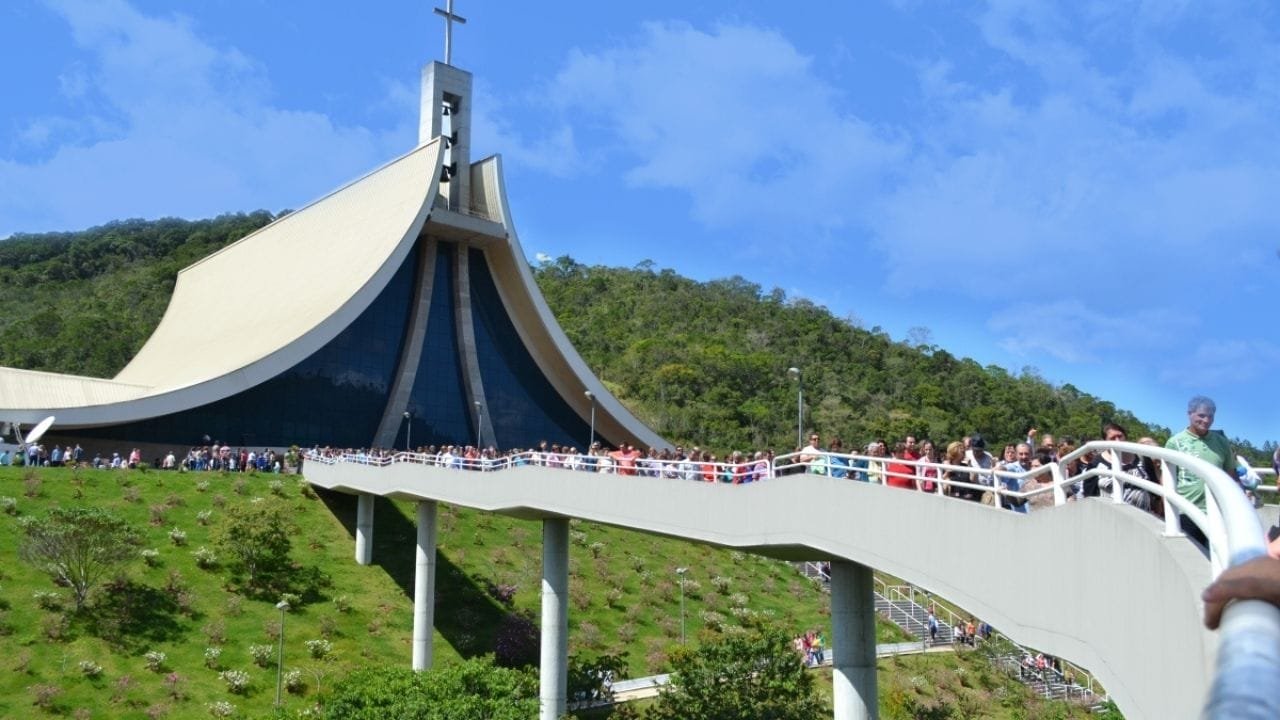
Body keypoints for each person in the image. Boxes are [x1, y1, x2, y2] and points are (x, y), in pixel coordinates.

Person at [1165, 396, 1234, 546]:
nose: (1206, 420)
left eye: (1210, 416)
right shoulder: (1174, 442)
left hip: (1217, 511)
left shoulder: (1221, 442)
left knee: (1218, 556)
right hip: (1187, 510)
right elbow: (1168, 479)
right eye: (1201, 415)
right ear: (1190, 414)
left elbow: (1230, 474)